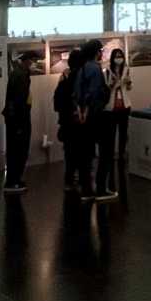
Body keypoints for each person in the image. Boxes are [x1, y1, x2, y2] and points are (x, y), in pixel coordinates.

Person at [75, 39, 115, 203]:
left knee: (85, 155)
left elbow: (78, 94)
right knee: (105, 153)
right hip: (97, 117)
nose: (102, 53)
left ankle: (86, 190)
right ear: (96, 52)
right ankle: (100, 189)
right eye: (100, 50)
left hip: (84, 117)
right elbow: (96, 93)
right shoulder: (95, 69)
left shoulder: (82, 69)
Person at [2, 50, 36, 194]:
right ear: (27, 60)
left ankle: (15, 179)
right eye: (33, 60)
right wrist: (19, 124)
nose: (34, 64)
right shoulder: (21, 75)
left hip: (16, 119)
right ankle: (12, 181)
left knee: (17, 150)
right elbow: (18, 101)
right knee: (18, 150)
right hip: (18, 120)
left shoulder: (19, 73)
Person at [54, 50, 82, 193]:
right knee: (80, 150)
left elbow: (57, 101)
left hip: (66, 121)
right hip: (78, 120)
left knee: (69, 152)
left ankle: (69, 179)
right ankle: (78, 178)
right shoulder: (80, 76)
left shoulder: (64, 77)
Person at [105, 47, 134, 163]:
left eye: (120, 56)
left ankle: (121, 153)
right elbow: (107, 88)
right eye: (117, 56)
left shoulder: (126, 69)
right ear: (112, 58)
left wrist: (128, 82)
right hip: (111, 107)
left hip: (124, 105)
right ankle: (111, 154)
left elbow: (129, 87)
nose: (119, 59)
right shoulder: (107, 70)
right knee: (111, 133)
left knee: (123, 132)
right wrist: (115, 84)